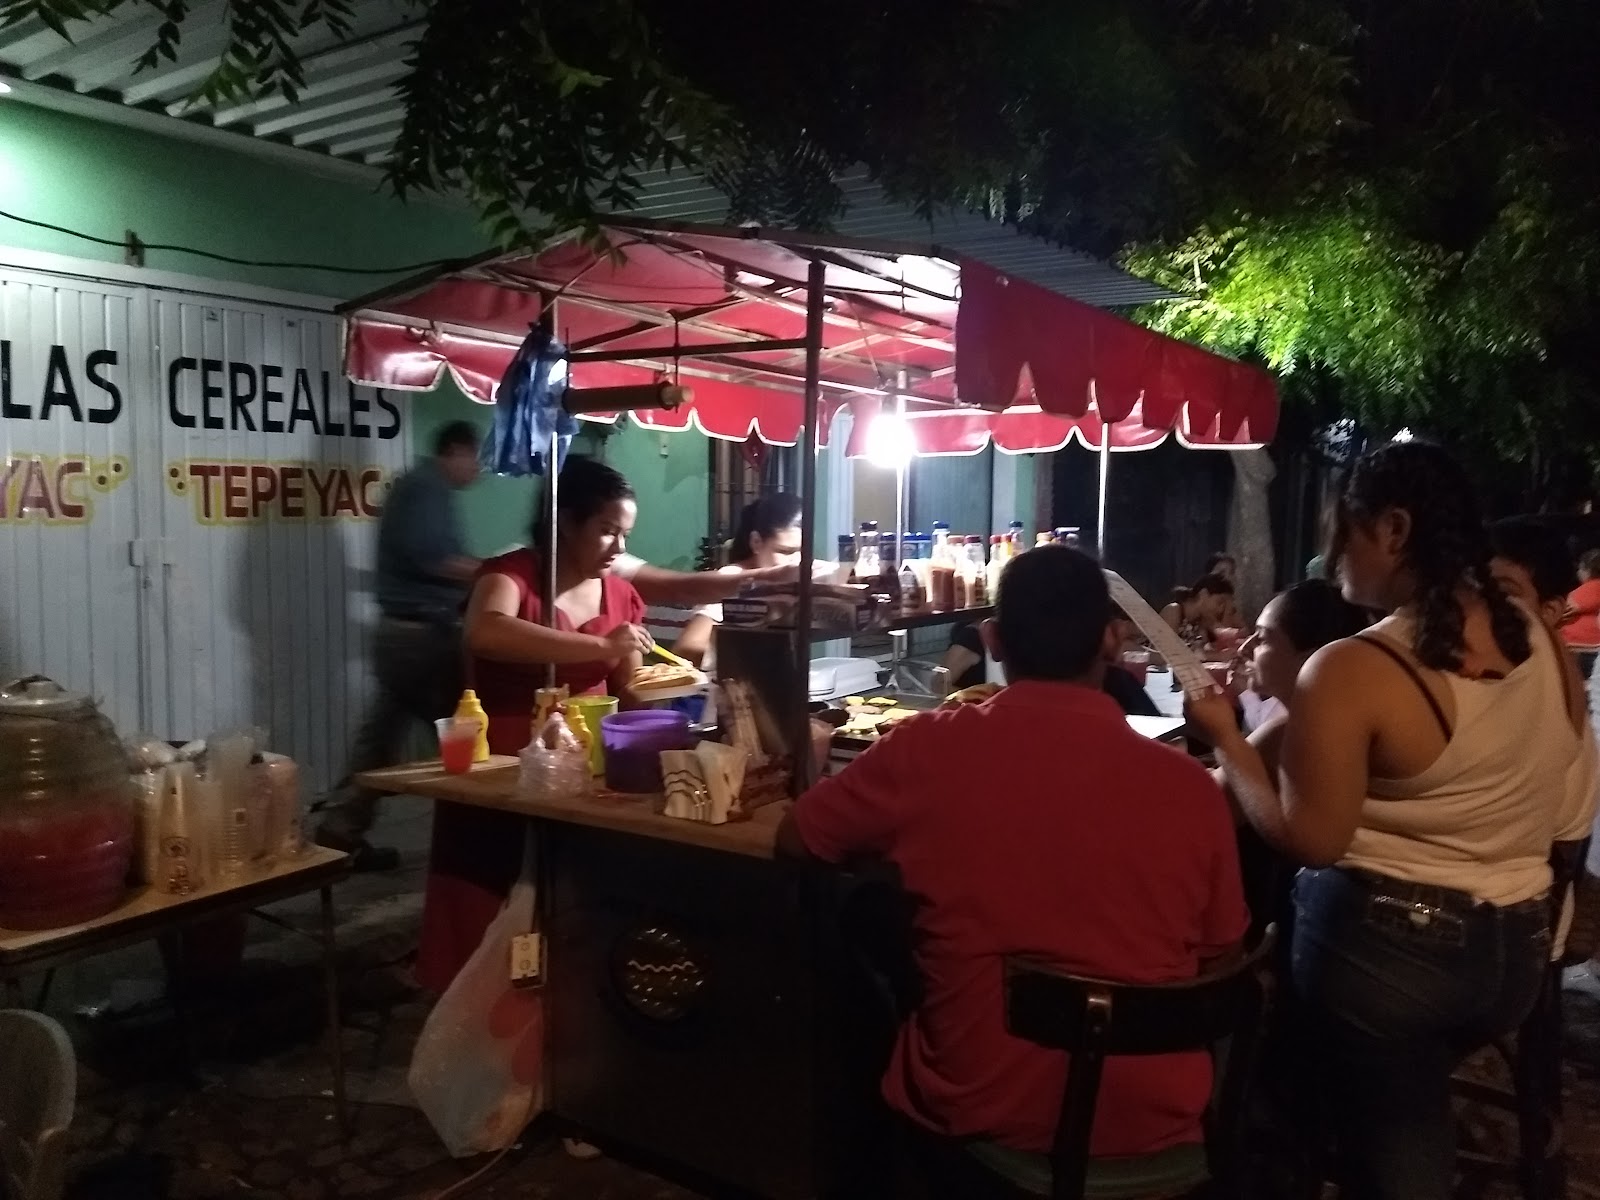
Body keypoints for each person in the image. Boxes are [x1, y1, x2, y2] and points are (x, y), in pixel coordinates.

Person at [1187, 440, 1592, 1200]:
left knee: (1399, 1147)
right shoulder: (1534, 633)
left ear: (1395, 529)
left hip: (1393, 959)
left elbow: (1312, 839)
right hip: (1514, 951)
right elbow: (1561, 749)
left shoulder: (1353, 665)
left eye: (1342, 531)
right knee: (1396, 1104)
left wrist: (1229, 743)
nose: (1330, 554)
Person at [778, 547, 1248, 1187]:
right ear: (1112, 641)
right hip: (1162, 1136)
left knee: (860, 926)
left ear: (994, 640)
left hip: (978, 1132)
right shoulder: (1192, 790)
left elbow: (797, 839)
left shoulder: (928, 749)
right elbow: (1221, 957)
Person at [414, 456, 654, 995]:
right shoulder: (512, 574)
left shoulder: (619, 594)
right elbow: (485, 633)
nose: (618, 547)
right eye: (607, 530)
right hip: (501, 764)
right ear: (565, 521)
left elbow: (630, 687)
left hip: (585, 764)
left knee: (569, 902)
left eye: (625, 534)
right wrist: (599, 644)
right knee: (489, 893)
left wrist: (684, 705)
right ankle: (476, 1013)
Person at [314, 420, 482, 870]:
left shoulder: (422, 486)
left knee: (381, 738)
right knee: (463, 734)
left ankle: (339, 831)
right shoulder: (427, 488)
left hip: (404, 635)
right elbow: (434, 559)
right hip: (422, 637)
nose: (478, 470)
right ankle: (474, 840)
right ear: (456, 451)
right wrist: (495, 571)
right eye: (476, 459)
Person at [673, 493, 803, 668]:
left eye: (802, 551)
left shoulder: (799, 577)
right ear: (756, 542)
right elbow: (686, 650)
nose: (796, 561)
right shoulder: (732, 577)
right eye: (785, 551)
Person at [1160, 572, 1234, 648]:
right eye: (1219, 602)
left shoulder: (1199, 624)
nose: (1221, 610)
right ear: (1203, 594)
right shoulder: (1173, 611)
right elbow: (1165, 650)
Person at [1563, 548, 1600, 678]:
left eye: (1580, 568)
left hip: (1578, 649)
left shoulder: (1588, 589)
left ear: (1587, 570)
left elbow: (1568, 609)